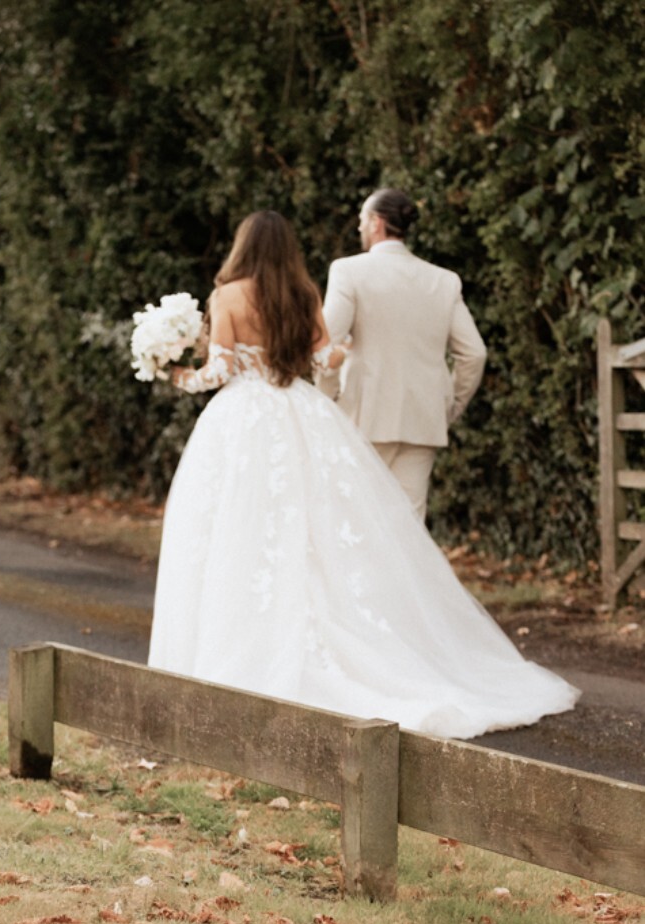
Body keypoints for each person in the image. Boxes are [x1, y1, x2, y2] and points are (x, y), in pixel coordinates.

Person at [147, 210, 578, 740]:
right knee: (320, 528)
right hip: (299, 411)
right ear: (288, 248)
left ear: (242, 246)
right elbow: (326, 358)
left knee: (241, 527)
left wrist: (178, 373)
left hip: (244, 420)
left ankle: (241, 645)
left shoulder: (228, 296)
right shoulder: (304, 293)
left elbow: (217, 374)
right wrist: (344, 351)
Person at [316, 188, 487, 519]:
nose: (359, 229)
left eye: (362, 221)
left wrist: (328, 395)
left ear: (377, 223)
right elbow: (475, 354)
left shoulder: (348, 271)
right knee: (410, 531)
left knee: (357, 521)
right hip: (423, 419)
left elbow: (324, 343)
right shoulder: (443, 280)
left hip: (363, 417)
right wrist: (451, 407)